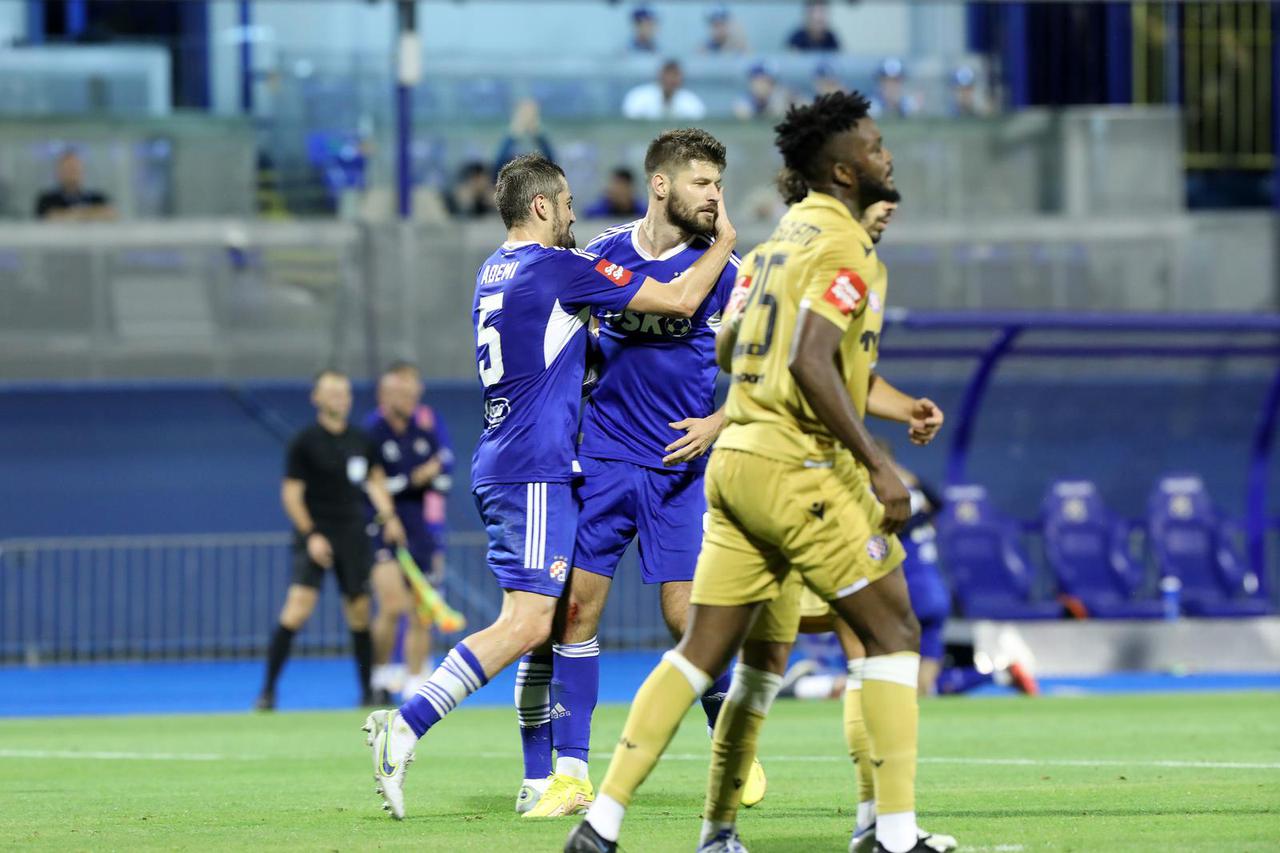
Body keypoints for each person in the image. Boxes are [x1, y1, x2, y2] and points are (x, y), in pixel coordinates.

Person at [566, 91, 950, 853]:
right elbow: (811, 359)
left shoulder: (772, 247)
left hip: (732, 464)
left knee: (719, 652)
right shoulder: (845, 251)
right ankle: (892, 834)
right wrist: (879, 462)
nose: (886, 158)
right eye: (874, 147)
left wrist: (891, 408)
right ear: (845, 171)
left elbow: (731, 347)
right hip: (794, 466)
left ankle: (616, 822)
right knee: (890, 628)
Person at [363, 153, 738, 821]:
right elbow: (681, 298)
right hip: (537, 466)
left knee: (543, 623)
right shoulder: (561, 266)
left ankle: (542, 781)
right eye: (565, 202)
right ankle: (408, 722)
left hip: (503, 457)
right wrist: (729, 244)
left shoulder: (493, 269)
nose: (573, 214)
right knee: (532, 620)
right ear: (540, 207)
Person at [521, 129, 761, 819]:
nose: (716, 196)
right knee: (576, 608)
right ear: (662, 185)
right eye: (703, 183)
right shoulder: (603, 255)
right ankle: (570, 774)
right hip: (603, 456)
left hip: (682, 466)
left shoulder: (733, 272)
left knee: (687, 615)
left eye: (719, 184)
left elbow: (764, 369)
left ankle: (734, 752)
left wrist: (719, 423)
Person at [256, 369, 406, 711]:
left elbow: (375, 481)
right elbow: (291, 495)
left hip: (353, 535)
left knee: (359, 613)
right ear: (317, 398)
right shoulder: (304, 443)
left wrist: (390, 517)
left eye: (345, 392)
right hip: (317, 535)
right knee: (297, 610)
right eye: (332, 392)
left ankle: (368, 692)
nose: (340, 398)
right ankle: (267, 691)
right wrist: (311, 535)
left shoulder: (361, 440)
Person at [364, 362, 458, 705]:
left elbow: (443, 472)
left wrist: (420, 479)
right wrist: (410, 482)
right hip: (382, 529)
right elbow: (372, 482)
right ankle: (379, 676)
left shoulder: (424, 429)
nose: (408, 397)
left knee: (423, 609)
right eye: (399, 392)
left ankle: (416, 683)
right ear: (384, 396)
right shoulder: (372, 432)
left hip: (420, 529)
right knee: (391, 604)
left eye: (410, 391)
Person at [35, 150, 116, 221]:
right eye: (67, 169)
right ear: (58, 172)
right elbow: (48, 217)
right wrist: (88, 214)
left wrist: (72, 215)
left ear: (82, 171)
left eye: (75, 168)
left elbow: (111, 214)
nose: (72, 173)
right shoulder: (47, 199)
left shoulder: (97, 197)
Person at [622, 60, 707, 121]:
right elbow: (630, 123)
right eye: (668, 74)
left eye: (675, 75)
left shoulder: (691, 101)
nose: (671, 79)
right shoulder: (639, 96)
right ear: (659, 75)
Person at [494, 99, 555, 180]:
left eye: (531, 114)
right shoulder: (509, 140)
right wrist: (514, 134)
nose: (527, 118)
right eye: (524, 114)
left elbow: (553, 168)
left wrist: (537, 134)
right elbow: (496, 170)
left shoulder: (541, 140)